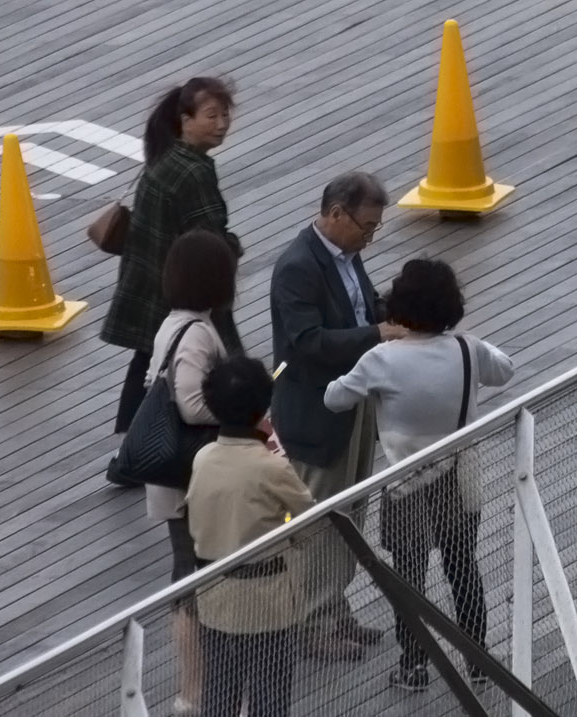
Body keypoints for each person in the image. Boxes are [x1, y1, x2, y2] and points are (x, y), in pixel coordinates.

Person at [325, 258, 513, 693]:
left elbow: (335, 398)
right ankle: (480, 663)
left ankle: (413, 665)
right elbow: (505, 370)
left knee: (408, 579)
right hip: (459, 477)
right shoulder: (468, 350)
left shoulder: (382, 360)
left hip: (405, 482)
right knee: (463, 568)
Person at [268, 172, 401, 662]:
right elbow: (307, 343)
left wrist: (396, 310)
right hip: (316, 413)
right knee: (319, 522)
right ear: (336, 214)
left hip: (352, 403)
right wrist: (379, 334)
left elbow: (361, 308)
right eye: (366, 227)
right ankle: (310, 624)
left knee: (347, 515)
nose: (370, 236)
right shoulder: (297, 268)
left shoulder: (345, 254)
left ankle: (334, 611)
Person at [103, 78, 242, 486]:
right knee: (220, 361)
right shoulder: (194, 173)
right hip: (185, 289)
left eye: (225, 114)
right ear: (185, 120)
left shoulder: (165, 160)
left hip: (149, 279)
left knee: (148, 359)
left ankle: (128, 452)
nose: (222, 124)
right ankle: (221, 441)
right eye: (211, 116)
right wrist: (232, 246)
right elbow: (211, 236)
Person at [186, 356, 315, 717]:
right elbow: (309, 518)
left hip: (213, 591)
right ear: (263, 405)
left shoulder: (204, 457)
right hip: (265, 599)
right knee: (269, 692)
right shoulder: (271, 466)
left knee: (220, 690)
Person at [143, 230, 238, 717]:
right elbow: (191, 402)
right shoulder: (198, 332)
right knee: (194, 581)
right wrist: (236, 410)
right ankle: (194, 692)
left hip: (171, 477)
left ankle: (193, 692)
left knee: (187, 579)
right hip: (188, 479)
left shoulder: (173, 324)